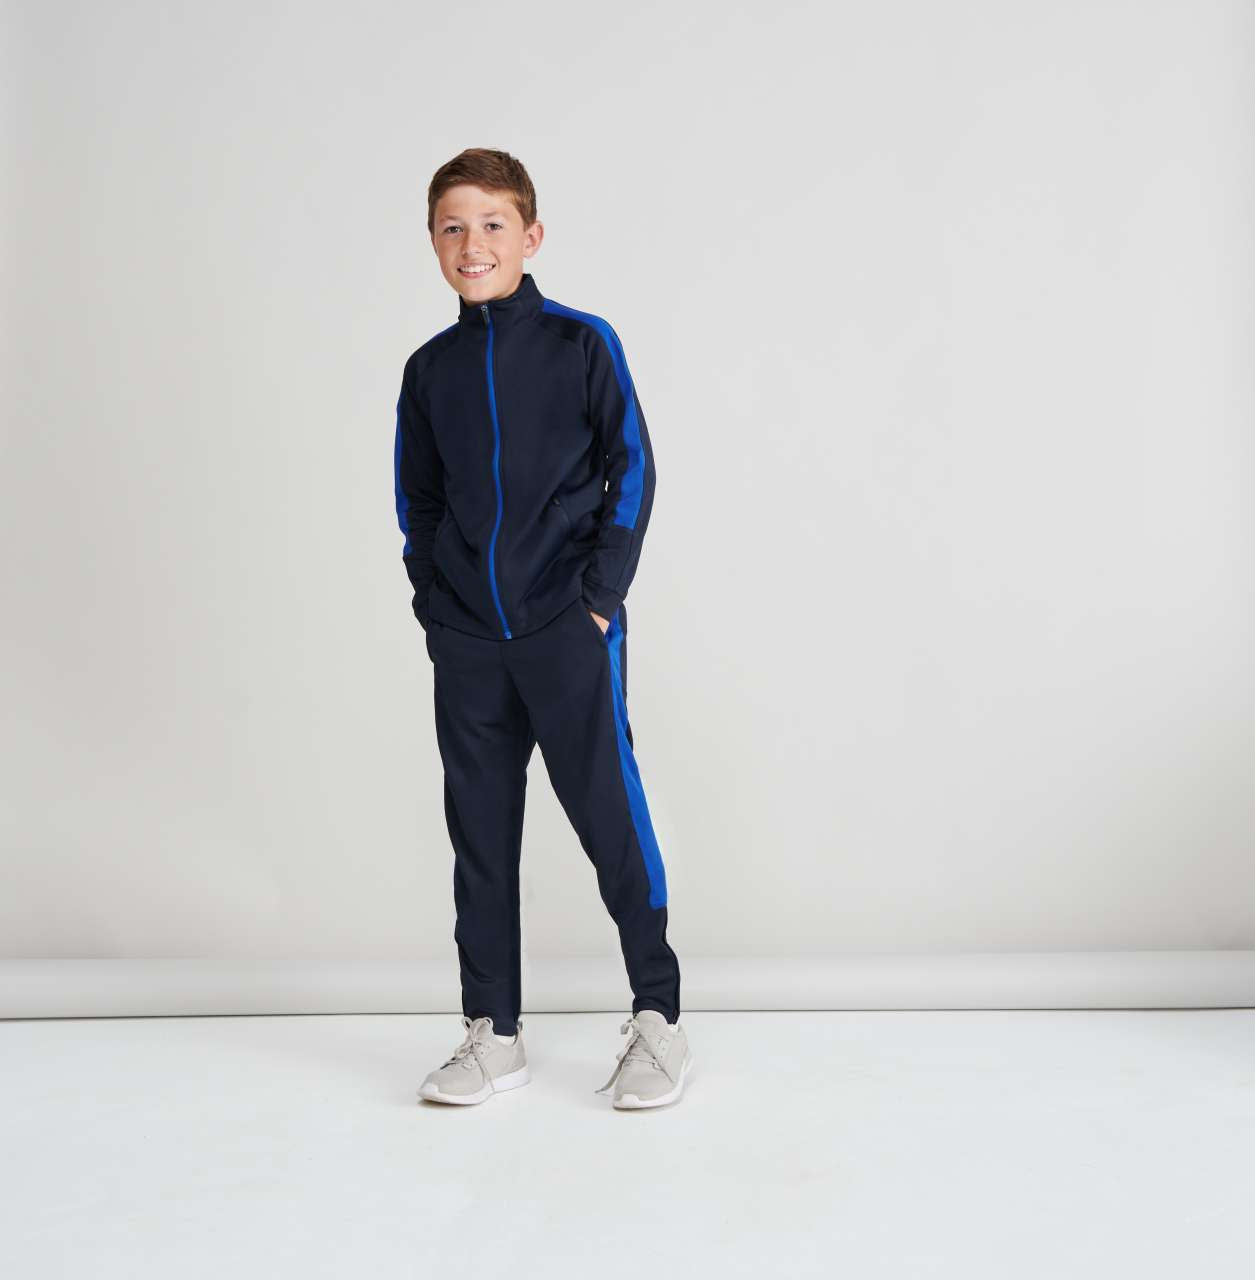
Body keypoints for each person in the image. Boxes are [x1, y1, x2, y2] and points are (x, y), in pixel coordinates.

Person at [394, 148, 693, 1109]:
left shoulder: (580, 342)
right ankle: (494, 1033)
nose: (470, 243)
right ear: (432, 241)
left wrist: (596, 598)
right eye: (451, 226)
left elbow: (632, 468)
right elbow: (418, 502)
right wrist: (436, 606)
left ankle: (658, 1020)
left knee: (609, 815)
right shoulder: (429, 370)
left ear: (530, 236)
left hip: (567, 627)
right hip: (469, 642)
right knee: (479, 835)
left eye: (491, 224)